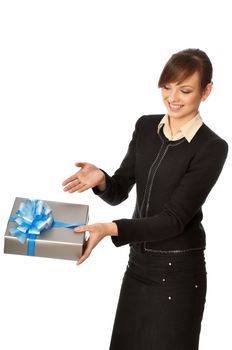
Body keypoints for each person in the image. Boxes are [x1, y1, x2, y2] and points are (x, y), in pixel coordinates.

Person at [62, 48, 228, 350]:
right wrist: (101, 179)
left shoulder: (212, 147)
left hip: (178, 275)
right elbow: (119, 191)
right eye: (167, 87)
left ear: (206, 91)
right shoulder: (145, 127)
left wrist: (109, 229)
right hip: (138, 266)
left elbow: (173, 220)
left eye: (185, 89)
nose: (172, 97)